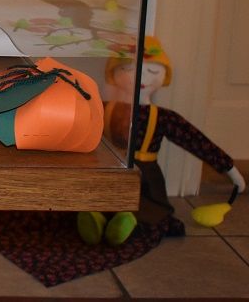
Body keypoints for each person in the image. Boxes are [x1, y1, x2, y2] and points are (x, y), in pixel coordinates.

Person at [79, 36, 245, 245]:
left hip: (145, 178)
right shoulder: (102, 107)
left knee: (148, 208)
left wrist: (230, 170)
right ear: (114, 73)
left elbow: (196, 141)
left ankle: (123, 224)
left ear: (164, 76)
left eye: (153, 71)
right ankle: (97, 219)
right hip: (109, 171)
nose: (142, 77)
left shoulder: (164, 117)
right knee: (98, 198)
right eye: (129, 69)